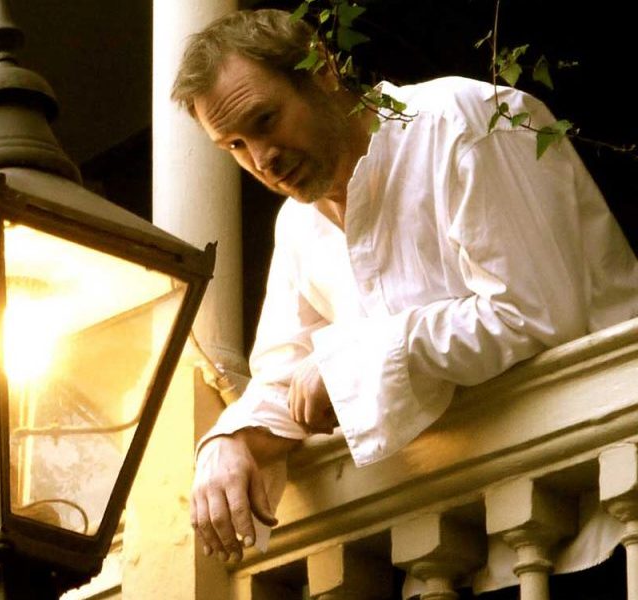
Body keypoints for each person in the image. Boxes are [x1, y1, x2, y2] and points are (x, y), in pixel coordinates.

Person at [171, 8, 638, 564]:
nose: (262, 159)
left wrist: (354, 360)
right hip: (484, 551)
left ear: (322, 70)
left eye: (266, 119)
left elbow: (534, 314)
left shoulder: (463, 123)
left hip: (613, 508)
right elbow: (286, 377)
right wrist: (229, 440)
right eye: (234, 146)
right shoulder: (298, 226)